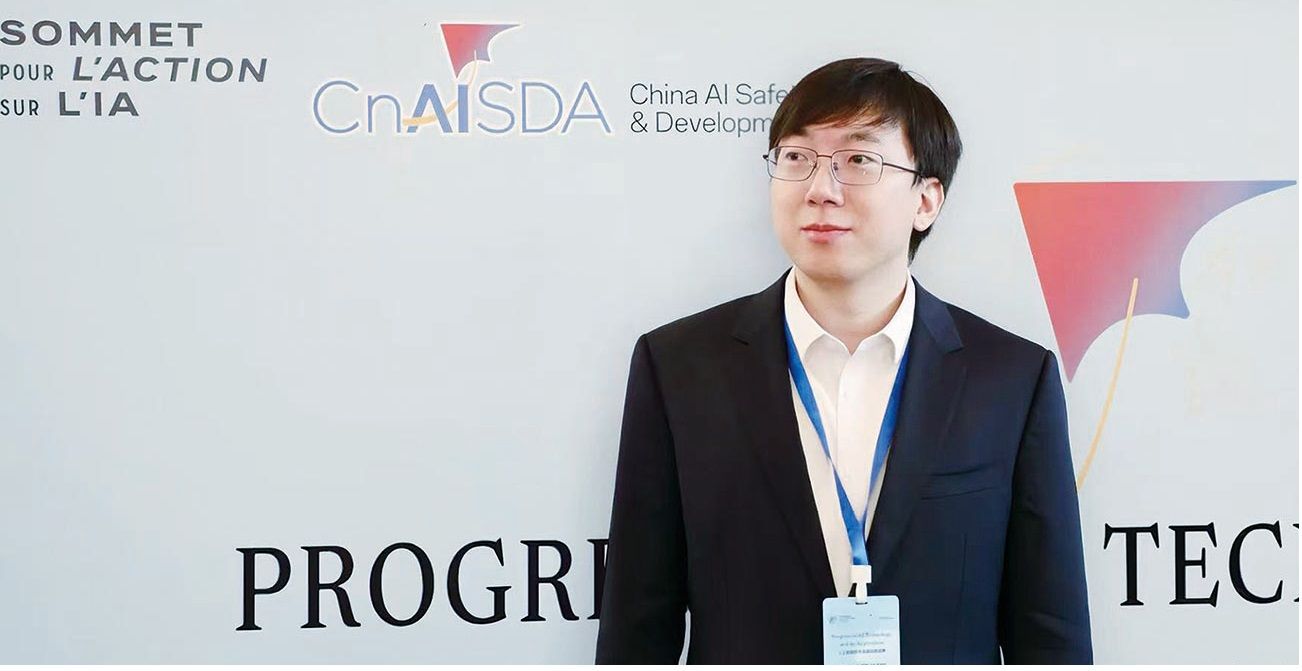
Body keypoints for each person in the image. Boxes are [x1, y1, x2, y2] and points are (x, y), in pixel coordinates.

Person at [594, 57, 1092, 664]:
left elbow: (1050, 632)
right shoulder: (679, 368)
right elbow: (637, 628)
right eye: (796, 157)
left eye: (858, 160)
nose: (820, 189)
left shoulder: (1010, 378)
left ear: (926, 200)